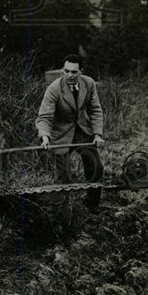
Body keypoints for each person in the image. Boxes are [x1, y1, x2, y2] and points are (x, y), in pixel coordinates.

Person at [35, 55, 105, 210]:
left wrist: (97, 134)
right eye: (66, 71)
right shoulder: (54, 88)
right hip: (61, 134)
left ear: (81, 71)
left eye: (74, 72)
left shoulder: (89, 83)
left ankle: (92, 204)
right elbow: (44, 118)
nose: (69, 75)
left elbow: (95, 110)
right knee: (64, 177)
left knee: (96, 168)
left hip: (82, 131)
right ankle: (65, 212)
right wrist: (45, 137)